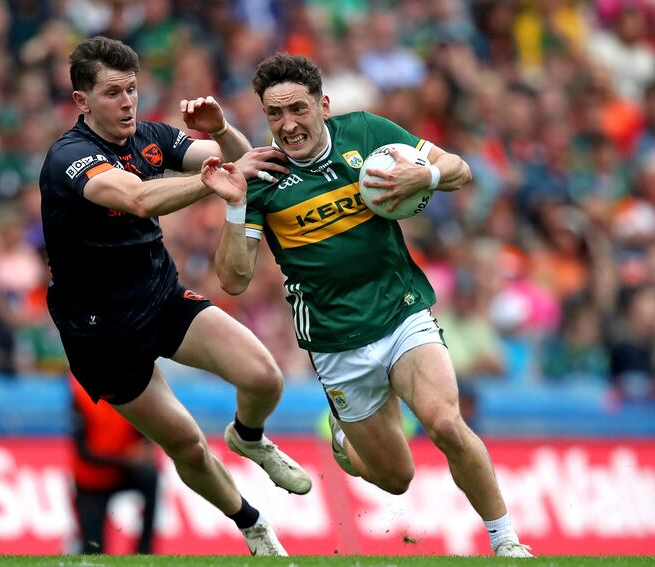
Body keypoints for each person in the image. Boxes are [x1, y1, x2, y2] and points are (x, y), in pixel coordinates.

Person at [213, 53, 533, 558]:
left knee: (446, 423)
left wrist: (422, 177)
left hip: (401, 309)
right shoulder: (261, 178)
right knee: (396, 477)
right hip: (335, 337)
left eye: (298, 108)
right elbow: (232, 280)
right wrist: (234, 204)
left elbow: (460, 169)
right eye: (275, 114)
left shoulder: (365, 132)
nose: (289, 124)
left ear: (323, 104)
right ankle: (345, 442)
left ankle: (507, 542)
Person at [38, 36, 311, 557]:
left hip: (160, 298)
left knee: (263, 375)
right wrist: (217, 182)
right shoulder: (69, 158)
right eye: (114, 92)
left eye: (132, 90)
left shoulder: (152, 137)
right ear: (82, 102)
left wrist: (223, 130)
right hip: (101, 334)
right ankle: (252, 524)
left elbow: (245, 161)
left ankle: (248, 436)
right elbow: (137, 198)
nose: (127, 103)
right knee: (184, 442)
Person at [70, 376, 158, 555]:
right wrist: (127, 459)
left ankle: (144, 550)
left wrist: (146, 446)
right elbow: (83, 452)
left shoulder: (130, 390)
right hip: (91, 482)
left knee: (150, 476)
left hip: (120, 473)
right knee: (93, 549)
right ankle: (79, 543)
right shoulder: (80, 395)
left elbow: (143, 431)